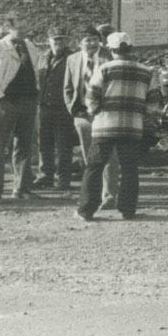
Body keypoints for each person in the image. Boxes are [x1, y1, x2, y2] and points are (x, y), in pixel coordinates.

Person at [78, 32, 159, 220]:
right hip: (132, 127)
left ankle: (86, 210)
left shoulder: (104, 69)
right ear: (131, 49)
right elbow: (153, 103)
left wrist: (96, 112)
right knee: (130, 167)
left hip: (104, 126)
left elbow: (91, 97)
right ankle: (127, 210)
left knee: (95, 167)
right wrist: (141, 115)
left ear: (111, 50)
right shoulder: (147, 72)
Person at [0, 13, 43, 200]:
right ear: (7, 27)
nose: (22, 29)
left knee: (24, 145)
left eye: (25, 25)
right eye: (18, 26)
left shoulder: (30, 47)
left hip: (27, 101)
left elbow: (35, 73)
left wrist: (36, 95)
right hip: (5, 103)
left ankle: (22, 188)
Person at [65, 27, 119, 207]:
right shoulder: (72, 59)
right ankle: (92, 194)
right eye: (87, 40)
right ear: (80, 43)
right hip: (82, 113)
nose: (92, 43)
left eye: (95, 39)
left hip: (104, 113)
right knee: (90, 156)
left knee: (109, 155)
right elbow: (68, 88)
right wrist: (73, 110)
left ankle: (109, 195)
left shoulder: (109, 57)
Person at [31, 29, 76, 194]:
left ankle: (63, 178)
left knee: (64, 144)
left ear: (67, 41)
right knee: (44, 143)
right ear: (49, 41)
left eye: (62, 40)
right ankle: (45, 175)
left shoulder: (72, 58)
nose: (58, 43)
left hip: (63, 107)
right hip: (44, 106)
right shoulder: (42, 57)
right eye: (55, 40)